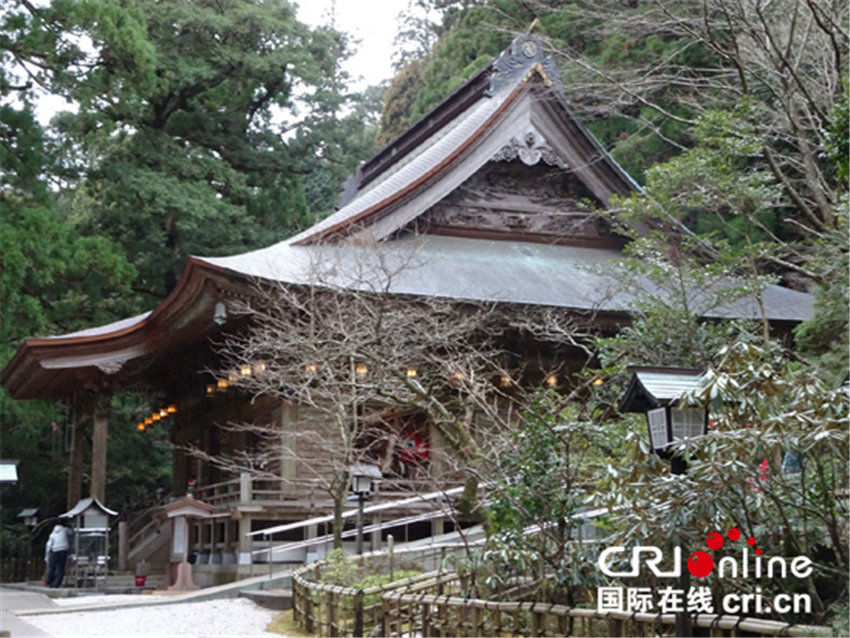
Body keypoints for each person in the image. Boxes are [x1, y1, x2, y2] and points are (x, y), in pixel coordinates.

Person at [45, 520, 71, 588]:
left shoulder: (52, 534)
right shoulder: (65, 530)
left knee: (52, 567)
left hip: (55, 550)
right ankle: (58, 584)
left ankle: (50, 582)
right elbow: (71, 532)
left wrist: (47, 555)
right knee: (61, 568)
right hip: (64, 550)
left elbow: (48, 544)